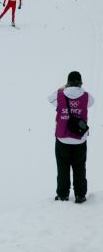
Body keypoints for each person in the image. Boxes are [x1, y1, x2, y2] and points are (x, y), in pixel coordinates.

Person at [48, 71, 94, 204]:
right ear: (80, 82)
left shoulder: (60, 95)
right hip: (80, 138)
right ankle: (80, 195)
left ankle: (63, 195)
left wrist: (63, 88)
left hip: (62, 137)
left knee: (63, 167)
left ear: (68, 82)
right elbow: (92, 102)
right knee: (79, 167)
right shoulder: (86, 97)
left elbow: (49, 98)